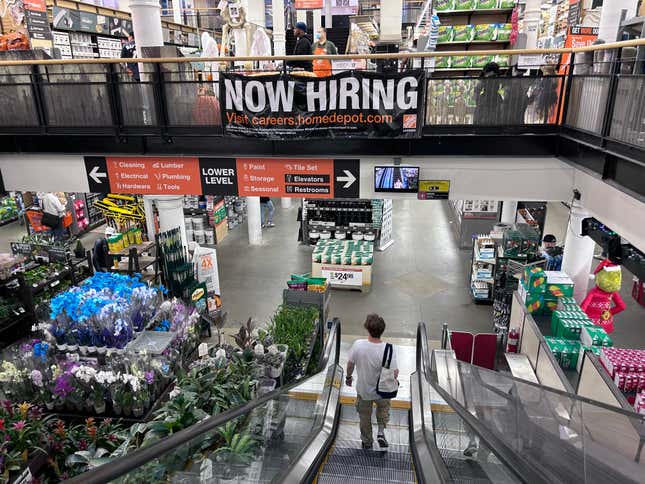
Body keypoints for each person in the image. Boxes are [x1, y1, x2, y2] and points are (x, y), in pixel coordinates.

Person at [346, 314, 399, 450]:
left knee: (364, 417)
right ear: (382, 330)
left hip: (364, 391)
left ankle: (367, 442)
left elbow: (350, 364)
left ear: (367, 328)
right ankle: (381, 432)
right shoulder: (388, 349)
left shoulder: (358, 345)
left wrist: (348, 377)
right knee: (383, 409)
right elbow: (395, 372)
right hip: (383, 391)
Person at [474, 61, 503, 126]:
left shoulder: (484, 78)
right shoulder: (483, 79)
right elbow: (476, 92)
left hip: (492, 103)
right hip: (487, 103)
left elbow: (476, 92)